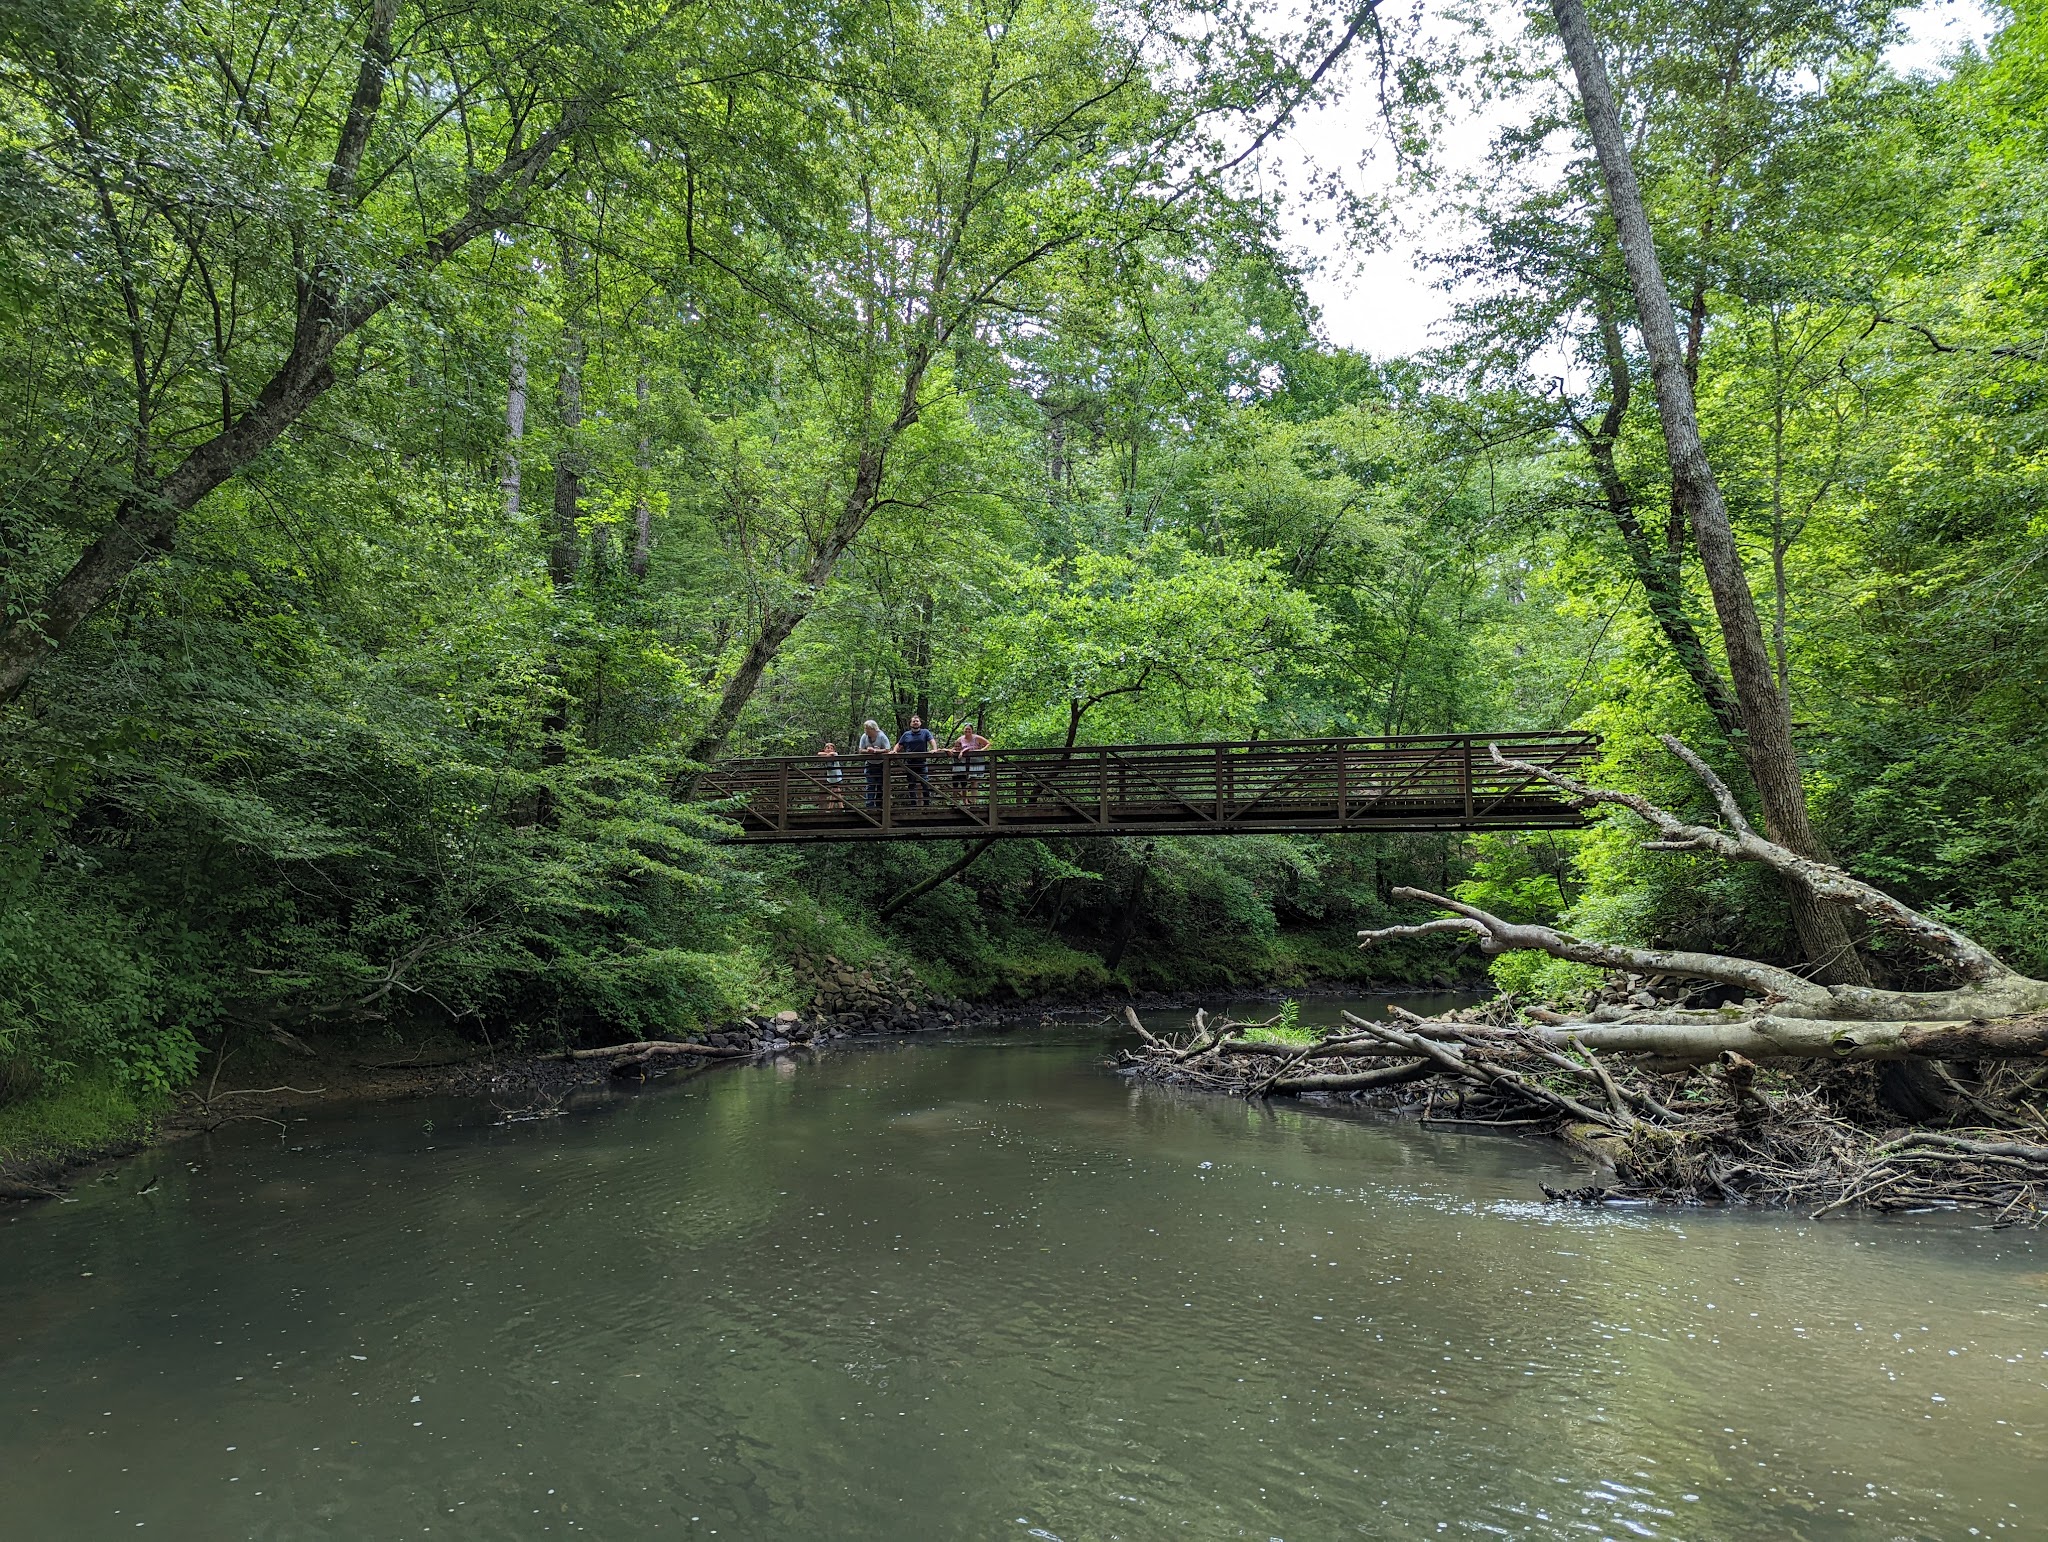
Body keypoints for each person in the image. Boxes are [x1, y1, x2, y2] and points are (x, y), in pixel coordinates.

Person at [895, 714, 937, 806]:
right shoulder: (906, 734)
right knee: (911, 784)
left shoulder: (925, 732)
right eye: (913, 721)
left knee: (925, 783)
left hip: (922, 762)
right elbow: (899, 744)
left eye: (917, 721)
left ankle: (927, 804)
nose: (915, 722)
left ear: (920, 723)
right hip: (910, 762)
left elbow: (932, 741)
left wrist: (934, 749)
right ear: (910, 724)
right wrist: (894, 751)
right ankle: (913, 804)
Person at [949, 723, 991, 799]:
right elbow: (955, 747)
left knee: (973, 781)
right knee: (964, 780)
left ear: (972, 730)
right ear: (963, 730)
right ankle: (965, 801)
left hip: (976, 761)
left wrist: (981, 750)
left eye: (969, 729)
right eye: (966, 729)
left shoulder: (976, 738)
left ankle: (973, 801)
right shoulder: (960, 738)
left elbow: (988, 743)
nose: (967, 730)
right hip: (965, 762)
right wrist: (950, 751)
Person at [857, 719, 891, 809]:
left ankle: (880, 806)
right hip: (869, 764)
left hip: (882, 764)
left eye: (868, 729)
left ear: (873, 729)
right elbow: (860, 750)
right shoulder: (864, 737)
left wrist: (876, 750)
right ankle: (870, 806)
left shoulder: (881, 736)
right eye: (865, 729)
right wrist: (868, 750)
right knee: (870, 785)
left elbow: (887, 749)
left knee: (880, 785)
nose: (866, 730)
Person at [817, 739, 845, 810]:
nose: (829, 749)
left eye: (831, 748)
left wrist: (827, 754)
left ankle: (831, 809)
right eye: (827, 748)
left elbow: (833, 754)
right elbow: (819, 754)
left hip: (837, 778)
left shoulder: (835, 754)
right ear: (824, 749)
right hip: (831, 779)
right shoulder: (825, 756)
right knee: (835, 793)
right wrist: (826, 754)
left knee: (835, 793)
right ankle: (839, 809)